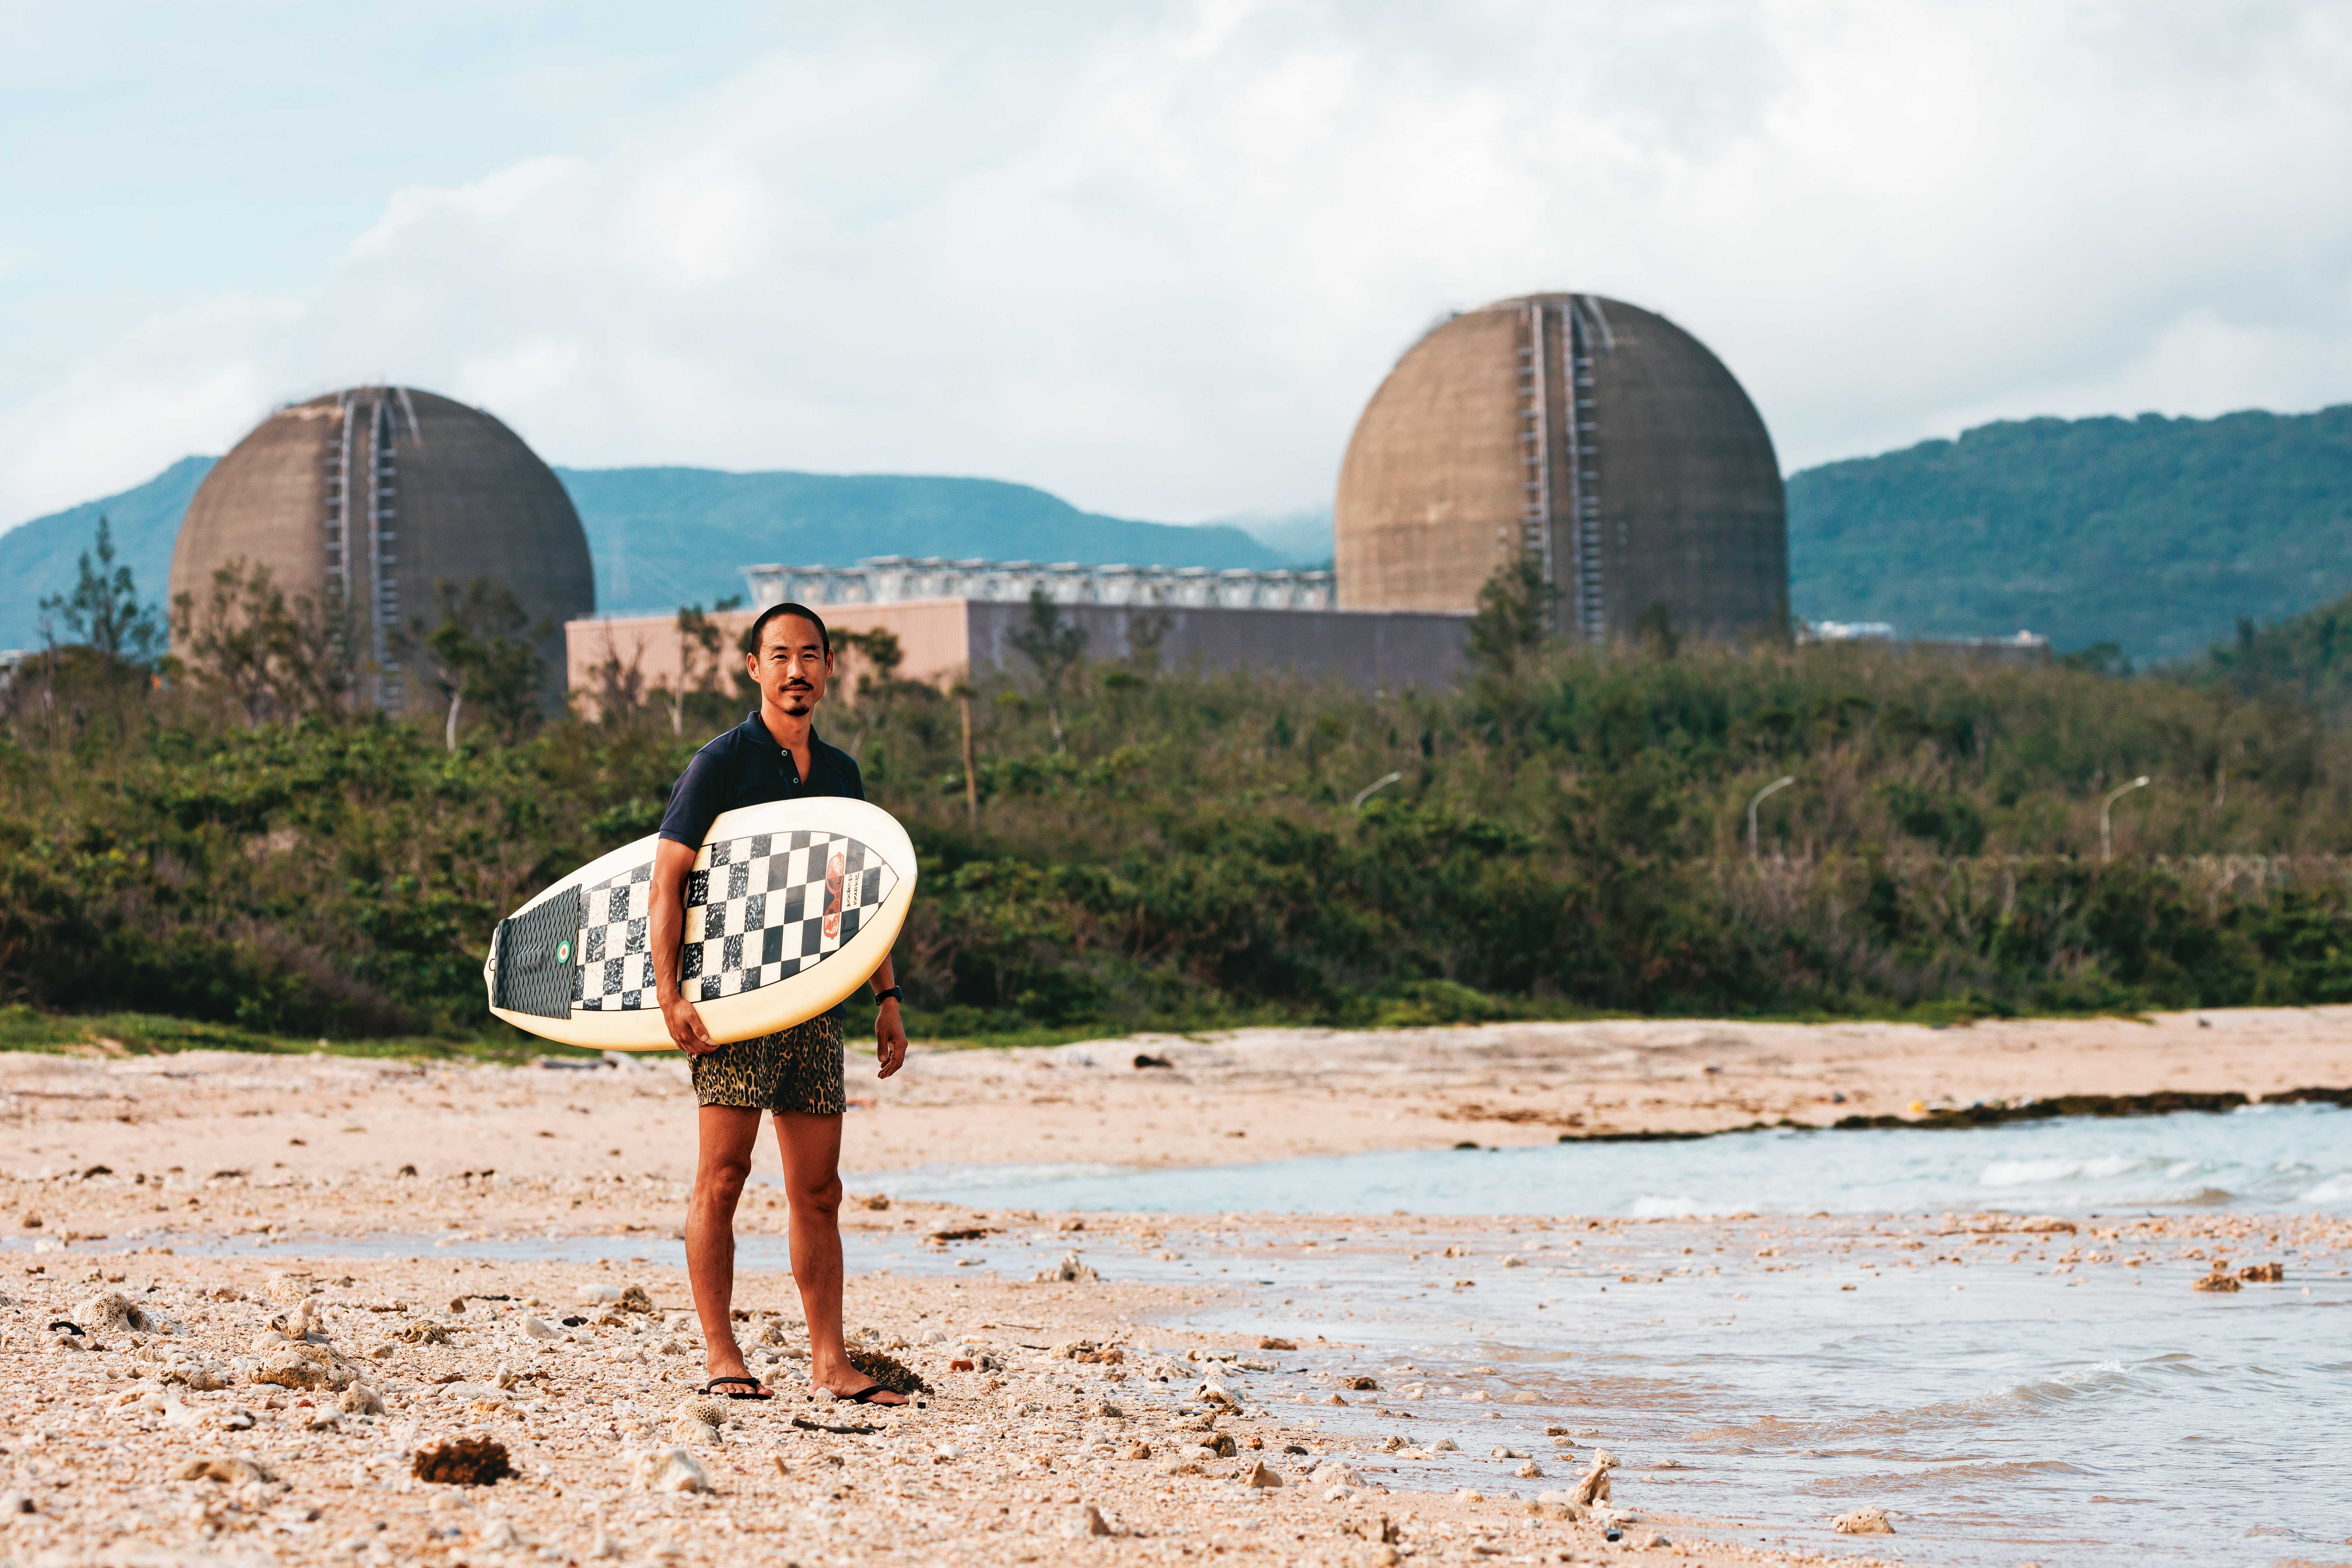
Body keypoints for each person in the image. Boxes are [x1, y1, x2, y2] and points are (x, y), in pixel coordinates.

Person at [649, 601, 909, 1405]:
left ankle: (830, 1362)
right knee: (723, 1175)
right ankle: (722, 1353)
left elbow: (856, 899)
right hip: (732, 1002)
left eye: (811, 655)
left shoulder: (840, 776)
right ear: (753, 667)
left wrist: (886, 994)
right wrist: (670, 992)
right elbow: (670, 877)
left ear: (830, 665)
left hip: (815, 1004)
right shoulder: (720, 763)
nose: (796, 669)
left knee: (819, 1190)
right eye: (779, 655)